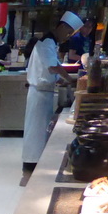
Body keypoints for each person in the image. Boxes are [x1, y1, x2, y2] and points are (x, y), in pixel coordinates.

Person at [22, 11, 83, 171]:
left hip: (44, 94)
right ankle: (30, 165)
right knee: (35, 131)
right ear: (62, 27)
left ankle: (35, 163)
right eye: (68, 32)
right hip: (38, 94)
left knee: (40, 131)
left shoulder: (50, 43)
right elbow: (54, 67)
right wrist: (70, 80)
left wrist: (61, 80)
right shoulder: (47, 42)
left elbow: (52, 68)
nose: (68, 36)